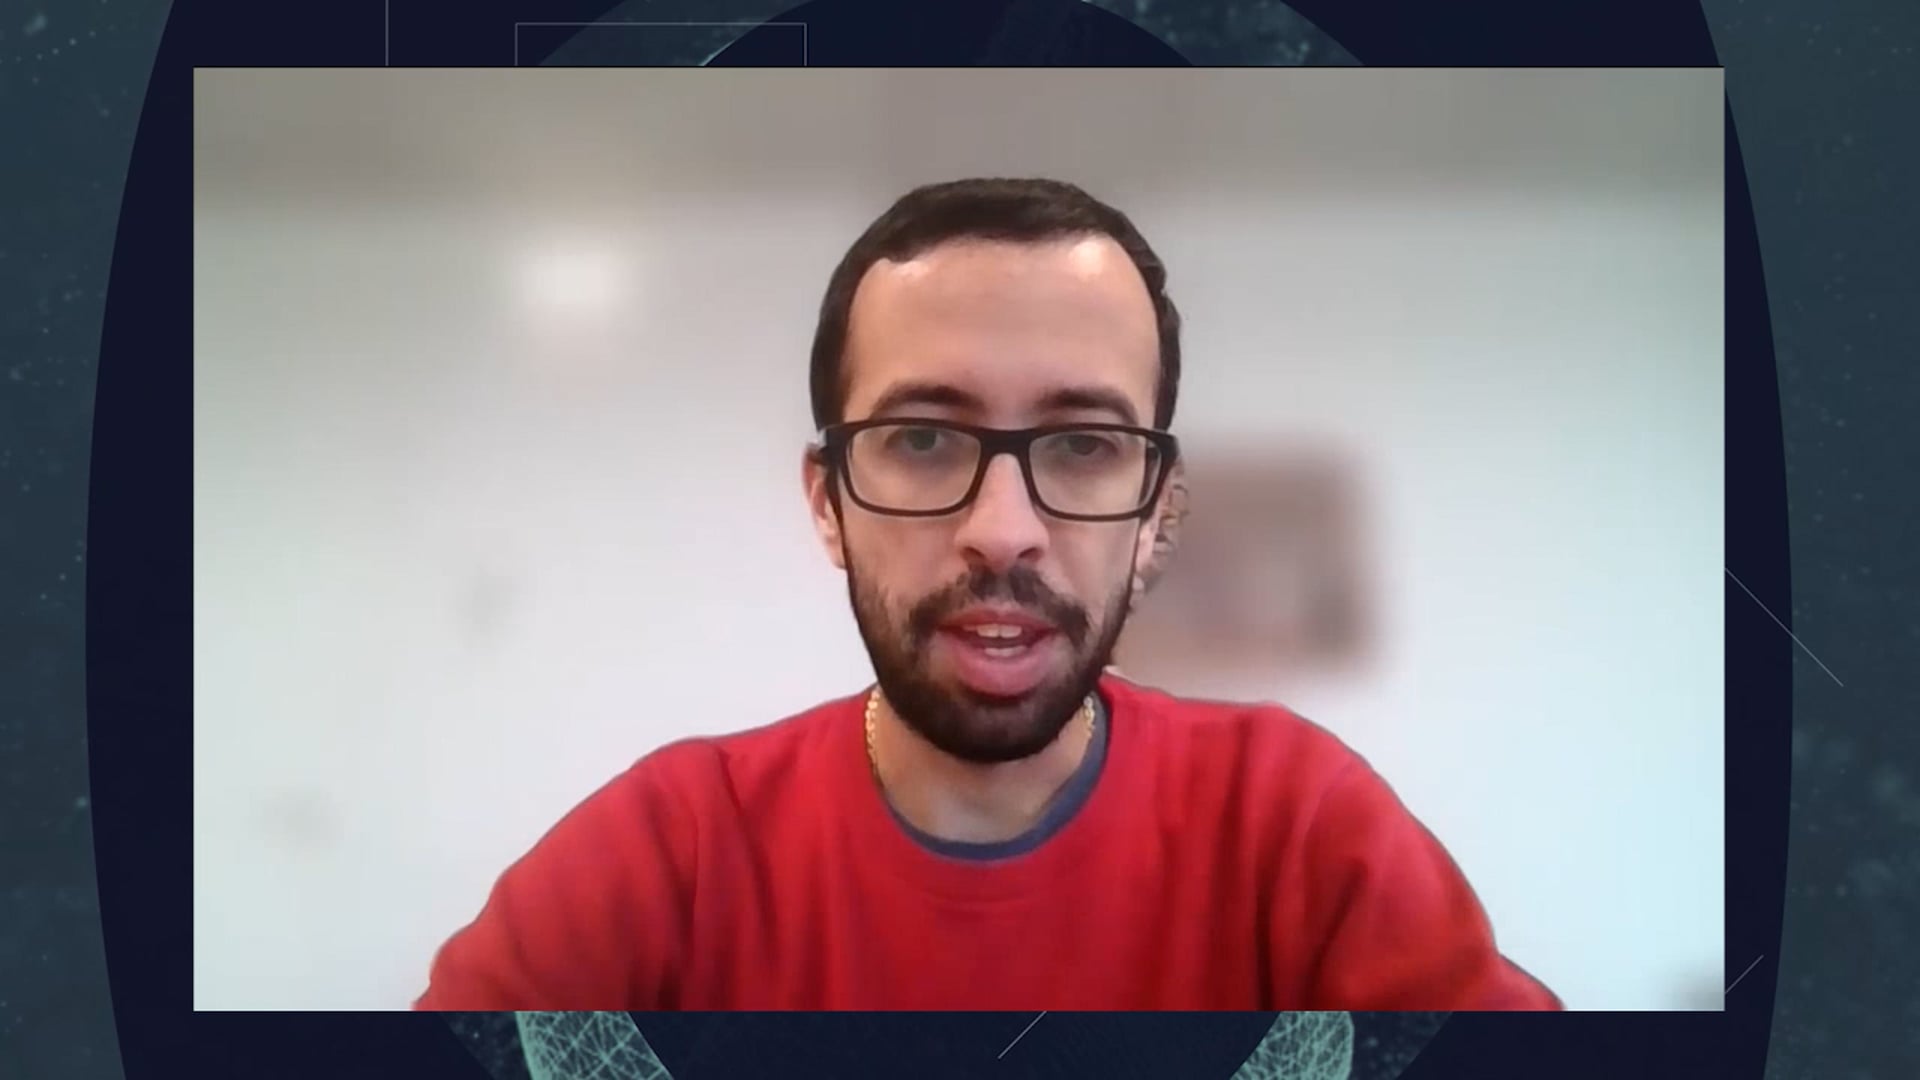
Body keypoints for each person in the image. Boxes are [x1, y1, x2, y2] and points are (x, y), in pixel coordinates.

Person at [414, 178, 1560, 1011]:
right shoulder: (671, 857)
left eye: (1083, 444)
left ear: (1156, 512)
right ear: (829, 502)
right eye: (922, 438)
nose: (1003, 531)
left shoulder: (1296, 831)